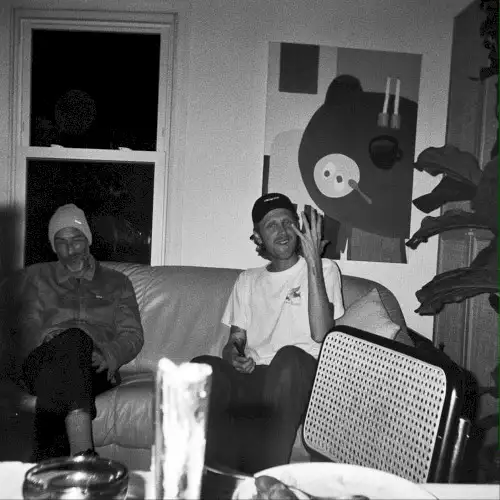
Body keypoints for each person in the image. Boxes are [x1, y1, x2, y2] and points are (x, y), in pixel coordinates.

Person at [193, 193, 344, 473]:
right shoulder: (247, 280)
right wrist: (234, 357)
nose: (282, 231)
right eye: (271, 225)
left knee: (288, 359)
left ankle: (264, 479)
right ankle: (220, 480)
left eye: (288, 222)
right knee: (202, 368)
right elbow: (235, 341)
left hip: (300, 375)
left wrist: (313, 261)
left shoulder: (325, 269)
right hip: (255, 376)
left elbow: (322, 333)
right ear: (258, 237)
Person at [18, 203, 144, 461]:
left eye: (76, 239)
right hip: (43, 359)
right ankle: (83, 453)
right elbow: (22, 326)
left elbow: (132, 335)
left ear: (88, 240)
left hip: (94, 365)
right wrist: (42, 338)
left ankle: (46, 467)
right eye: (61, 242)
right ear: (54, 247)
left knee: (71, 352)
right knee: (72, 342)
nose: (70, 248)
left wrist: (110, 355)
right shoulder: (37, 278)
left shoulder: (117, 282)